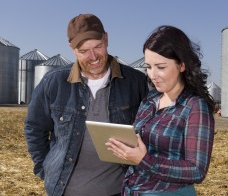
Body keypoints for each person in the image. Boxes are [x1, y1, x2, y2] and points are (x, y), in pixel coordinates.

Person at [24, 14, 149, 196]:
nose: (93, 57)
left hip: (119, 190)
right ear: (72, 49)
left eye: (98, 46)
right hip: (64, 190)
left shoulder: (135, 82)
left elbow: (152, 131)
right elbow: (34, 128)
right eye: (83, 51)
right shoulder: (54, 82)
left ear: (106, 38)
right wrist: (44, 168)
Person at [106, 25, 215, 195]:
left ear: (181, 65)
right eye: (148, 66)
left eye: (161, 67)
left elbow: (197, 170)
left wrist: (144, 160)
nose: (152, 74)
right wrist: (124, 150)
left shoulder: (194, 106)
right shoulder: (150, 101)